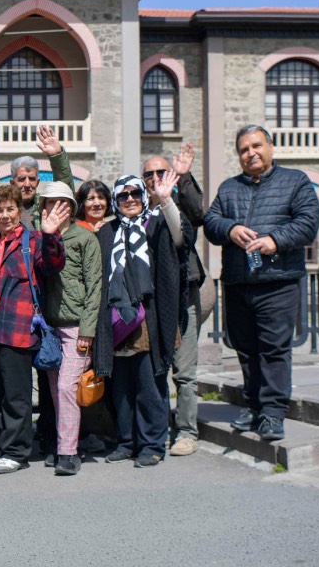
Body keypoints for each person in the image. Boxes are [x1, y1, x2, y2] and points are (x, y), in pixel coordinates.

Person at [204, 124, 319, 441]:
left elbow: (308, 223)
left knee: (273, 349)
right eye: (244, 149)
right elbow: (210, 223)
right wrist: (230, 229)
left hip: (277, 281)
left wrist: (275, 240)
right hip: (238, 282)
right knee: (245, 348)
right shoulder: (228, 188)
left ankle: (272, 413)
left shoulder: (295, 181)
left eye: (256, 146)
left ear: (270, 146)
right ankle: (253, 407)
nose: (250, 153)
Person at [0, 184, 69, 474]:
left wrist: (50, 234)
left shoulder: (32, 240)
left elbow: (53, 264)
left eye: (10, 209)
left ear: (19, 211)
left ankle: (18, 451)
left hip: (17, 332)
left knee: (16, 396)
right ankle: (2, 448)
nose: (5, 215)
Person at [93, 173, 191, 468]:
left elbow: (181, 236)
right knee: (121, 385)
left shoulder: (157, 223)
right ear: (116, 201)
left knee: (149, 383)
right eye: (123, 196)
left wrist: (166, 199)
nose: (131, 200)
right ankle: (126, 441)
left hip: (150, 318)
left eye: (136, 194)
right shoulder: (107, 231)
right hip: (117, 318)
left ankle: (152, 443)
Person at [143, 144, 206, 456]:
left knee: (183, 371)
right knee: (156, 369)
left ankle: (186, 431)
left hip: (183, 296)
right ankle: (159, 429)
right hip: (152, 302)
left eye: (160, 171)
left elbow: (196, 216)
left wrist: (183, 177)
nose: (155, 178)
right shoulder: (136, 210)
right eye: (149, 174)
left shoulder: (179, 201)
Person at [37, 182, 102, 476]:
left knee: (66, 388)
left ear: (71, 209)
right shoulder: (40, 239)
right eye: (50, 203)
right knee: (54, 390)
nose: (56, 208)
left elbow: (95, 286)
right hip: (50, 327)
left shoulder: (85, 238)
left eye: (62, 203)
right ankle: (62, 445)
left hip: (77, 326)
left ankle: (67, 453)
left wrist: (88, 330)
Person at [0, 126, 74, 241]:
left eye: (32, 179)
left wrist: (57, 156)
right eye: (22, 179)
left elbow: (65, 190)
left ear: (38, 182)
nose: (27, 184)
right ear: (12, 183)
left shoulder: (46, 209)